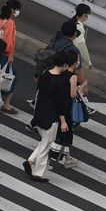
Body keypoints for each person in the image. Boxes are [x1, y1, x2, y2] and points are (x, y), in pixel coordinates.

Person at [23, 51, 73, 182]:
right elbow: (60, 103)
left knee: (44, 141)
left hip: (39, 113)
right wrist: (63, 121)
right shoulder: (60, 82)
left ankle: (30, 161)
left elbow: (39, 92)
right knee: (46, 146)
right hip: (51, 117)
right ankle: (38, 174)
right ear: (64, 65)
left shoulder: (45, 74)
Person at [51, 50, 82, 169]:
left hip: (58, 105)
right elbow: (72, 94)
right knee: (67, 131)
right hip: (66, 106)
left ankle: (67, 157)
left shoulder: (61, 72)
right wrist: (81, 88)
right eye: (78, 60)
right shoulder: (73, 76)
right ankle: (64, 157)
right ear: (74, 62)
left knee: (61, 130)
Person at [0, 0, 21, 114]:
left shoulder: (1, 20)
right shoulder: (10, 23)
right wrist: (10, 55)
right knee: (12, 77)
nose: (18, 12)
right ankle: (6, 103)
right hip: (4, 54)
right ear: (12, 10)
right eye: (17, 9)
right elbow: (9, 41)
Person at [72, 3, 92, 70]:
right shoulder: (79, 27)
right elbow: (81, 46)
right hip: (72, 57)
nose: (89, 16)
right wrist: (88, 62)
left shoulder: (72, 22)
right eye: (89, 14)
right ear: (84, 15)